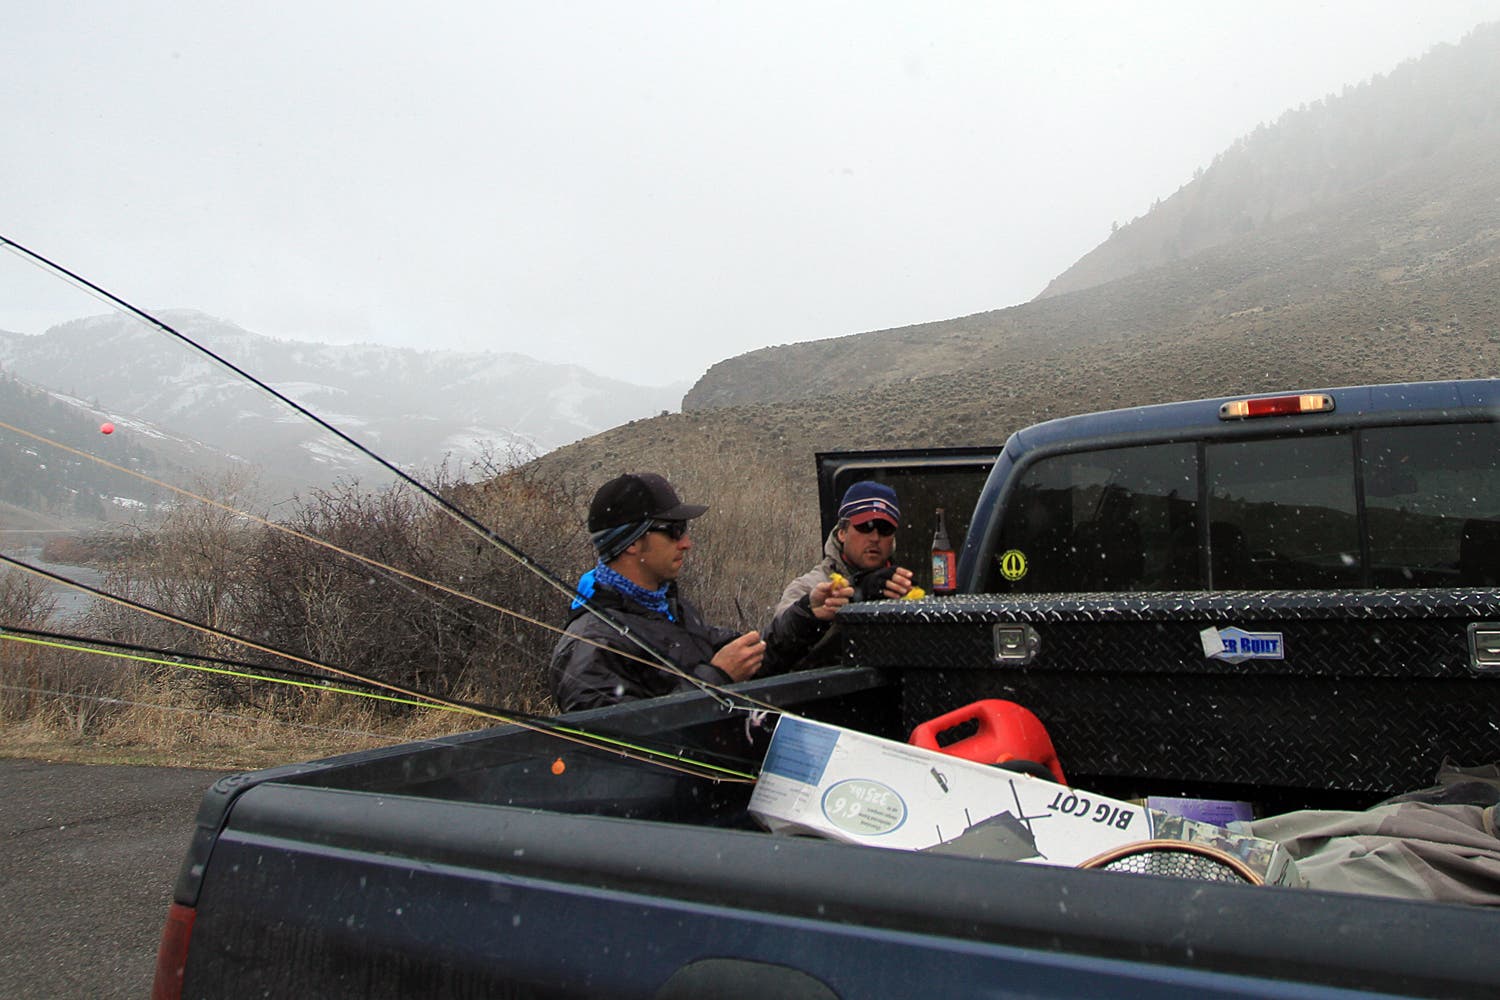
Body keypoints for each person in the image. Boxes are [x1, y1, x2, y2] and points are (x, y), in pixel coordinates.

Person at [550, 472, 766, 712]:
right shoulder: (590, 644)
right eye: (674, 530)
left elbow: (747, 653)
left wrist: (798, 620)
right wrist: (716, 678)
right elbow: (626, 731)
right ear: (631, 542)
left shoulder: (670, 608)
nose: (686, 543)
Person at [762, 480, 914, 673]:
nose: (875, 538)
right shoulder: (811, 587)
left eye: (885, 529)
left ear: (892, 539)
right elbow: (776, 646)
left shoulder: (904, 588)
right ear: (842, 533)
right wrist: (854, 595)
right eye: (864, 526)